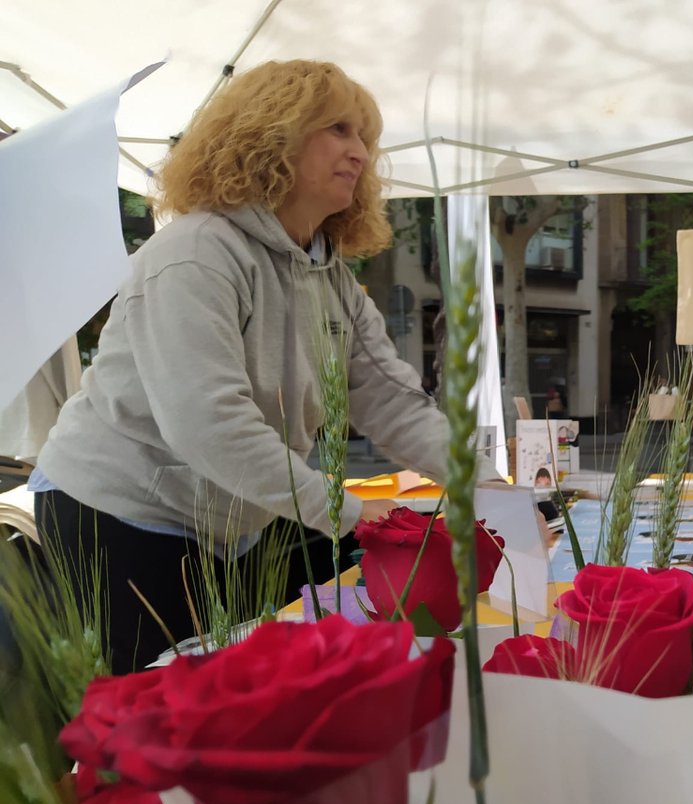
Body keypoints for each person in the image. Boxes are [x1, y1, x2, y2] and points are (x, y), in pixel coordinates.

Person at [32, 60, 498, 673]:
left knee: (239, 689)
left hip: (235, 519)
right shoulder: (196, 252)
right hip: (122, 516)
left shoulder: (330, 273)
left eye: (364, 137)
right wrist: (354, 513)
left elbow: (390, 399)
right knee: (159, 712)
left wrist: (489, 487)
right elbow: (208, 423)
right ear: (271, 134)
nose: (360, 153)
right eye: (338, 129)